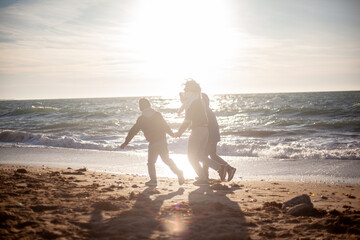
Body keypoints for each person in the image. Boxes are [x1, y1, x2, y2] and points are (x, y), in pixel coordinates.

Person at [120, 98, 185, 186]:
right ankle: (178, 172)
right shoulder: (157, 114)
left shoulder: (141, 119)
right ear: (149, 105)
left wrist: (126, 142)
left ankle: (153, 180)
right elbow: (165, 126)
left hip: (153, 143)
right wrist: (172, 134)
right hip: (162, 140)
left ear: (141, 107)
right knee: (166, 159)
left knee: (151, 162)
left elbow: (133, 131)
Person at [175, 80, 226, 185]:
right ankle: (218, 169)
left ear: (190, 90)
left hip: (198, 131)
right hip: (204, 130)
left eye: (186, 89)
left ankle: (204, 177)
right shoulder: (199, 99)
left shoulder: (192, 102)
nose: (185, 91)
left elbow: (188, 119)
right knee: (200, 156)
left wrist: (179, 132)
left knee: (191, 157)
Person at [201, 93, 237, 181]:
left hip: (210, 136)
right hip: (214, 135)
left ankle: (205, 175)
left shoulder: (205, 111)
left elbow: (205, 125)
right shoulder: (208, 110)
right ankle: (229, 168)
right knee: (212, 155)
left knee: (204, 155)